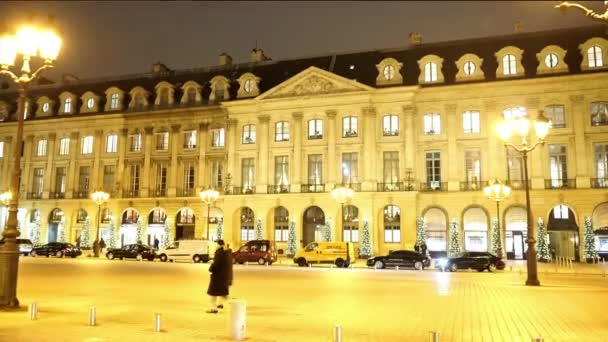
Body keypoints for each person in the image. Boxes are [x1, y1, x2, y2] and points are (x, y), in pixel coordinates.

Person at [206, 239, 231, 314]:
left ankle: (214, 309)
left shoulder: (219, 253)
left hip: (217, 277)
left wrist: (210, 268)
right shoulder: (225, 252)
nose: (215, 246)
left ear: (218, 245)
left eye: (216, 244)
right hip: (222, 277)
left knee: (213, 294)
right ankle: (231, 304)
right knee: (222, 294)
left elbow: (216, 264)